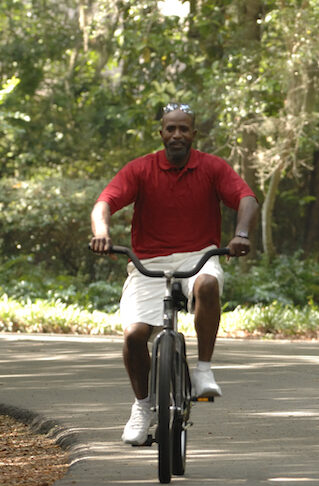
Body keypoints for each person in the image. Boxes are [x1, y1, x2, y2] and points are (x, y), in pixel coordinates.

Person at [90, 102, 259, 445]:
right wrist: (101, 232)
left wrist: (241, 234)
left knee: (208, 284)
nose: (177, 134)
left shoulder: (212, 167)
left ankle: (203, 371)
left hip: (200, 255)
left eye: (184, 129)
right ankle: (142, 406)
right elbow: (104, 201)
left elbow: (246, 198)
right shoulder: (141, 169)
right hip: (149, 262)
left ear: (194, 134)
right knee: (134, 336)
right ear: (162, 133)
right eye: (171, 128)